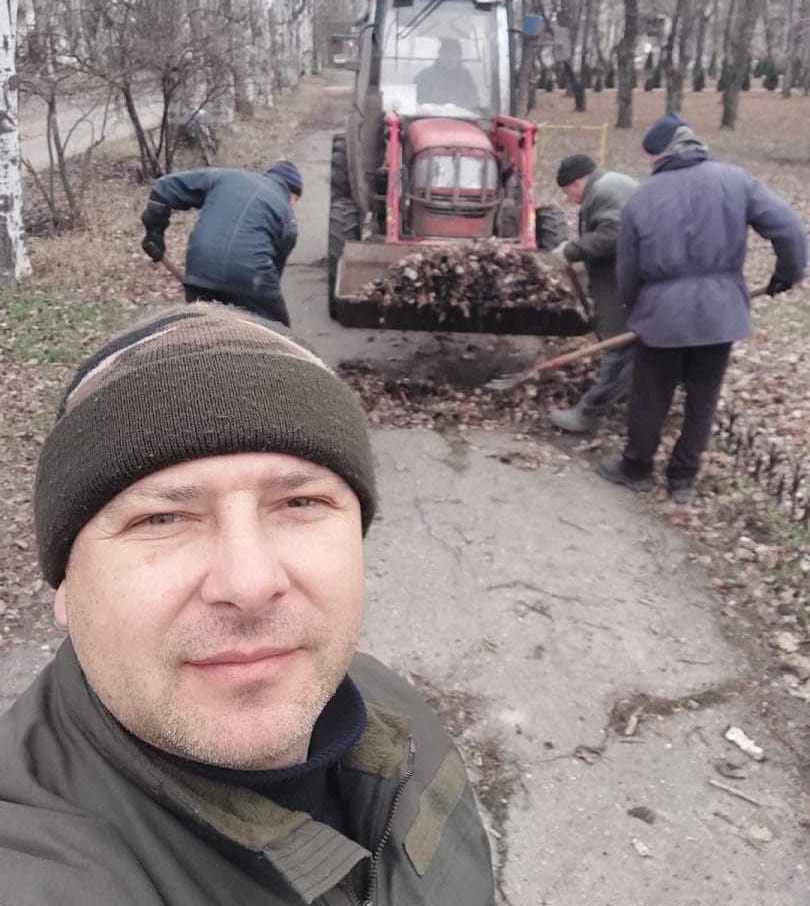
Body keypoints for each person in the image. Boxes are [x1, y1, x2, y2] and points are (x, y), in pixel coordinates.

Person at [0, 304, 495, 905]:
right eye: (162, 518)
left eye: (300, 504)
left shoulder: (392, 708)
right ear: (66, 588)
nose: (250, 582)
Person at [599, 112, 807, 503]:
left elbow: (627, 268)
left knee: (651, 395)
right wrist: (788, 274)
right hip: (720, 313)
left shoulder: (644, 196)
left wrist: (635, 309)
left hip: (662, 316)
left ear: (660, 154)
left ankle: (637, 468)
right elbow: (790, 229)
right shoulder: (737, 180)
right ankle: (682, 480)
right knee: (702, 398)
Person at [140, 160, 303, 327]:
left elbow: (164, 188)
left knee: (201, 330)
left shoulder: (225, 177)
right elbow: (275, 271)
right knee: (279, 333)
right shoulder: (286, 214)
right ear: (292, 195)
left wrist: (154, 234)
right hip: (250, 279)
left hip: (201, 270)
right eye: (295, 201)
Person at [545, 154, 638, 433]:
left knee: (619, 347)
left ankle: (589, 414)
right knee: (632, 348)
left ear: (577, 182)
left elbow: (615, 235)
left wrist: (571, 250)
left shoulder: (605, 191)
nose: (571, 200)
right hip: (635, 279)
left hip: (632, 282)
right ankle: (629, 400)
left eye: (568, 193)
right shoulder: (612, 185)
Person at [415, 36, 480, 109]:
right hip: (429, 117)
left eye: (455, 55)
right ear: (440, 54)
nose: (451, 58)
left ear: (459, 57)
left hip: (460, 118)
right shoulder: (425, 76)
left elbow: (474, 101)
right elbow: (415, 100)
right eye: (447, 54)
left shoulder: (466, 77)